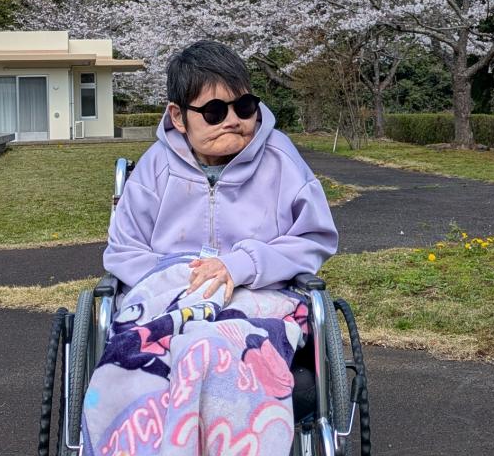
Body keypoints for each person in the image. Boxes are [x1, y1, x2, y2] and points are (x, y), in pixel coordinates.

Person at [104, 39, 338, 297]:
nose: (233, 121)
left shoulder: (281, 159)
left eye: (244, 107)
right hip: (168, 294)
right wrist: (186, 279)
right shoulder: (156, 166)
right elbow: (125, 250)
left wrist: (241, 264)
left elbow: (314, 238)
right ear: (178, 117)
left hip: (259, 294)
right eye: (214, 112)